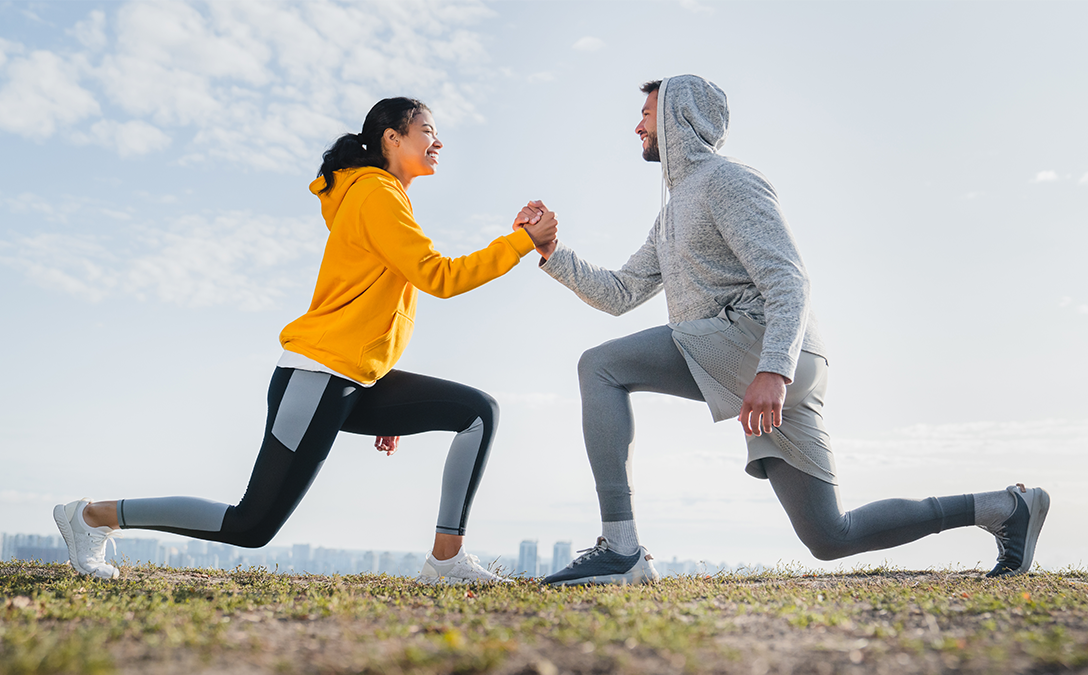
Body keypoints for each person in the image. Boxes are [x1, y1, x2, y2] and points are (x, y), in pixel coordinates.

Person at [522, 75, 1048, 586]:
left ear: (676, 116)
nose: (637, 127)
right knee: (829, 535)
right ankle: (1005, 508)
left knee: (601, 366)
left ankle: (619, 548)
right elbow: (620, 293)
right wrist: (550, 250)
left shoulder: (727, 180)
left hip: (761, 344)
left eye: (645, 114)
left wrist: (773, 368)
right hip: (769, 357)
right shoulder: (670, 212)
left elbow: (788, 277)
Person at [54, 96, 557, 583]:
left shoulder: (380, 196)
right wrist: (520, 242)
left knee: (476, 412)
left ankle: (446, 561)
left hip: (351, 375)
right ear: (392, 137)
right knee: (250, 525)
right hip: (316, 375)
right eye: (428, 131)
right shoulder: (375, 194)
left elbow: (381, 301)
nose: (438, 142)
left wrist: (379, 382)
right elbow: (439, 276)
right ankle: (92, 516)